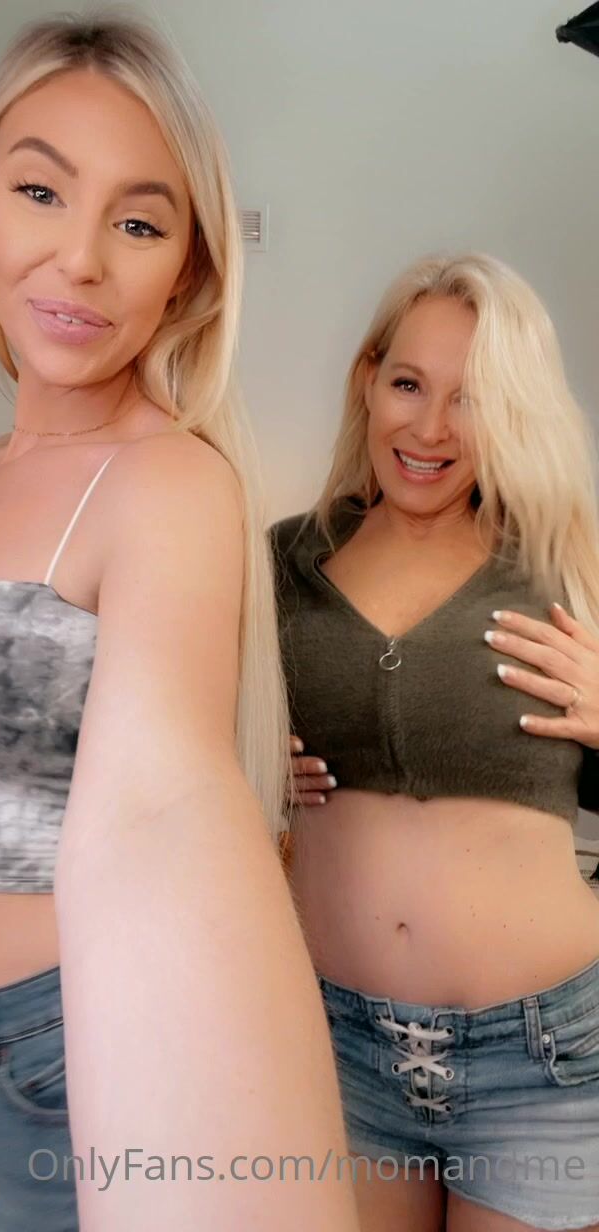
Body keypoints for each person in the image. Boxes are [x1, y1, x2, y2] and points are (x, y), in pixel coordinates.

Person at [0, 13, 361, 1232]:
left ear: (190, 271)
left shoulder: (170, 484)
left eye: (138, 222)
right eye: (40, 192)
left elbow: (163, 801)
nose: (78, 260)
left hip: (60, 1057)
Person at [270, 252, 599, 1232]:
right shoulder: (282, 561)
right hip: (340, 1048)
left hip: (545, 1060)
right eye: (409, 384)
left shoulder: (566, 565)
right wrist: (244, 764)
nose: (430, 429)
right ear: (368, 380)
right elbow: (182, 763)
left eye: (472, 399)